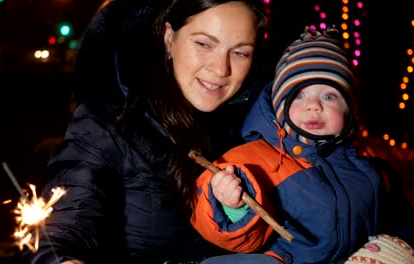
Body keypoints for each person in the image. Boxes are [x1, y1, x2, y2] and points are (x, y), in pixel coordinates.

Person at [21, 0, 267, 263]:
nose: (221, 69)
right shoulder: (111, 122)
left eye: (240, 53)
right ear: (169, 37)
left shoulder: (258, 127)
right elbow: (63, 223)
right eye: (204, 44)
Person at [190, 26, 408, 263]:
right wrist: (231, 205)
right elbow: (228, 233)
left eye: (329, 96)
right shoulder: (254, 160)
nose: (313, 105)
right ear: (280, 106)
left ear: (350, 110)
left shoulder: (369, 164)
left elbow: (397, 215)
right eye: (300, 95)